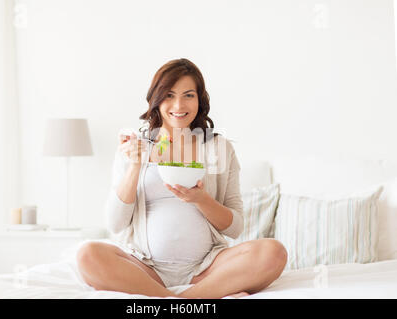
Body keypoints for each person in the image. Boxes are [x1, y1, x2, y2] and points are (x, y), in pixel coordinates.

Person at [76, 58, 287, 298]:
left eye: (188, 95)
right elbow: (115, 223)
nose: (178, 104)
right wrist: (135, 166)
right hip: (146, 268)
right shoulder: (133, 147)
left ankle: (183, 300)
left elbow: (236, 228)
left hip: (208, 268)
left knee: (274, 252)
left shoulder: (218, 148)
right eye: (169, 95)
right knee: (87, 255)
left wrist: (201, 199)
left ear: (200, 100)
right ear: (156, 99)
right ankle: (176, 299)